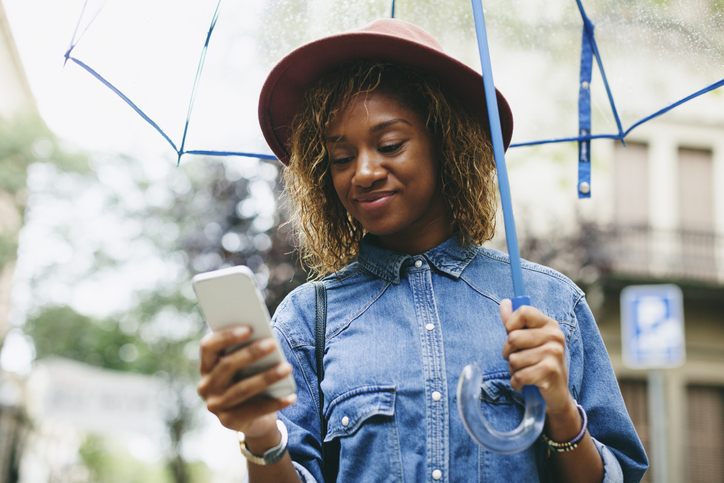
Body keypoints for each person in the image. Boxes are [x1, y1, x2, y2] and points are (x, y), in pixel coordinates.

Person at [197, 18, 648, 483]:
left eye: (389, 144)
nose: (365, 172)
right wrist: (259, 433)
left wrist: (560, 410)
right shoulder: (307, 320)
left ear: (445, 143)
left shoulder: (552, 304)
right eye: (341, 158)